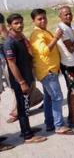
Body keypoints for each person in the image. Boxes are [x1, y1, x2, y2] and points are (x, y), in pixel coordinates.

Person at [29, 9, 74, 135]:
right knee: (57, 98)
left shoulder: (44, 31)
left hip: (51, 70)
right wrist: (56, 37)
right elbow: (45, 50)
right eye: (39, 19)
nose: (43, 20)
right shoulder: (37, 34)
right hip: (47, 71)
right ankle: (59, 126)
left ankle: (50, 123)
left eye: (44, 18)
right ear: (33, 21)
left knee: (49, 98)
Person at [3, 13, 47, 144]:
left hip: (27, 78)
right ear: (10, 26)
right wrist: (22, 82)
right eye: (16, 23)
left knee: (25, 107)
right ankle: (27, 136)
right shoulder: (9, 43)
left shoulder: (21, 38)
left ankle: (26, 129)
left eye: (20, 22)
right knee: (23, 108)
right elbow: (11, 64)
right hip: (20, 81)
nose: (19, 25)